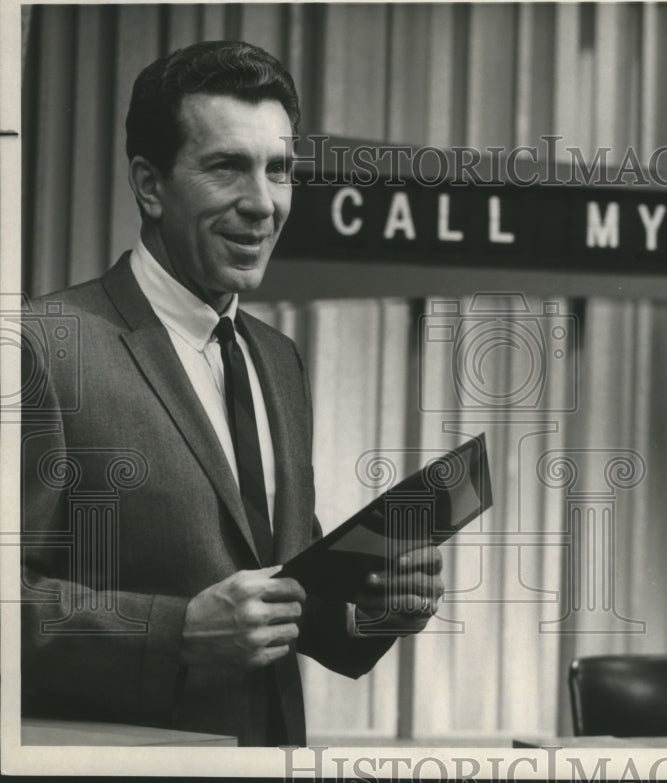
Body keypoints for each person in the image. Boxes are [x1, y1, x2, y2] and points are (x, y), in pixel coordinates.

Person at [20, 40, 444, 747]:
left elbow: (288, 601)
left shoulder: (278, 359)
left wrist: (380, 606)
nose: (262, 203)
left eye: (278, 170)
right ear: (150, 185)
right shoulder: (43, 346)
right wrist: (177, 631)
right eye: (227, 167)